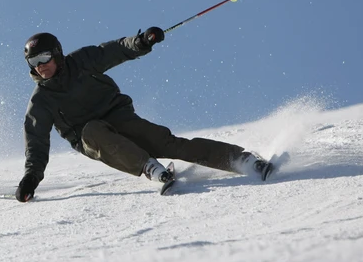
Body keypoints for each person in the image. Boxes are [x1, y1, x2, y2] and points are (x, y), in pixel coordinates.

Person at [15, 29, 271, 202]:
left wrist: (141, 42)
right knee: (93, 130)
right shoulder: (40, 102)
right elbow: (36, 144)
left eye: (44, 57)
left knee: (169, 144)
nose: (40, 65)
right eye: (33, 61)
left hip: (118, 115)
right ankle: (150, 168)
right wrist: (31, 179)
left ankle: (245, 161)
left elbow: (113, 50)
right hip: (91, 137)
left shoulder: (81, 61)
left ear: (57, 53)